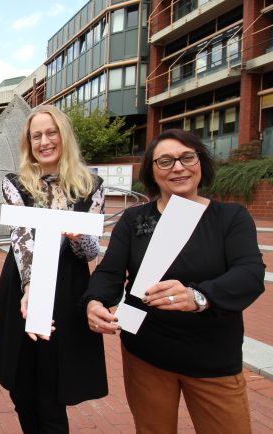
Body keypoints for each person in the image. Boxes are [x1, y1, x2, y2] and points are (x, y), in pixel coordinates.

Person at [83, 129, 265, 434]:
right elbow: (110, 272)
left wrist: (199, 296)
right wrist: (94, 301)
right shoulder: (134, 220)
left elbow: (249, 273)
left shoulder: (230, 217)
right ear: (153, 173)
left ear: (200, 162)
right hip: (146, 353)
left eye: (186, 157)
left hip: (213, 357)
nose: (178, 167)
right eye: (165, 161)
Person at [0, 104, 108, 434]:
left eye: (51, 132)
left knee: (52, 393)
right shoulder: (15, 183)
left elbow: (91, 252)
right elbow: (21, 239)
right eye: (36, 135)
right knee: (21, 386)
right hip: (22, 286)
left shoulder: (91, 185)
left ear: (63, 136)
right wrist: (30, 288)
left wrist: (80, 236)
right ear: (29, 143)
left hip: (67, 288)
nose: (44, 141)